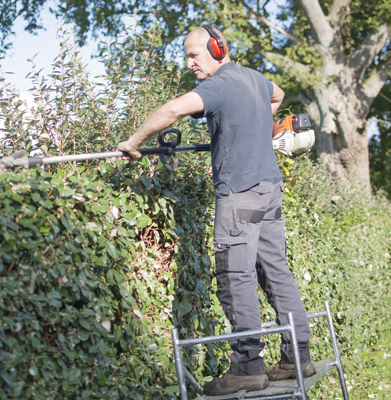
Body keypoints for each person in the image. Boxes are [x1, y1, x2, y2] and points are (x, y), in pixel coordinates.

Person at [117, 25, 316, 396]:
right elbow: (279, 94)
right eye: (187, 56)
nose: (190, 63)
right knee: (275, 269)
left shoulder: (219, 85)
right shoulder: (255, 79)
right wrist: (258, 131)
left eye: (195, 55)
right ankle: (296, 356)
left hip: (240, 195)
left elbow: (174, 108)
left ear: (217, 49)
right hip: (268, 193)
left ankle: (246, 366)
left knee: (235, 275)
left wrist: (133, 142)